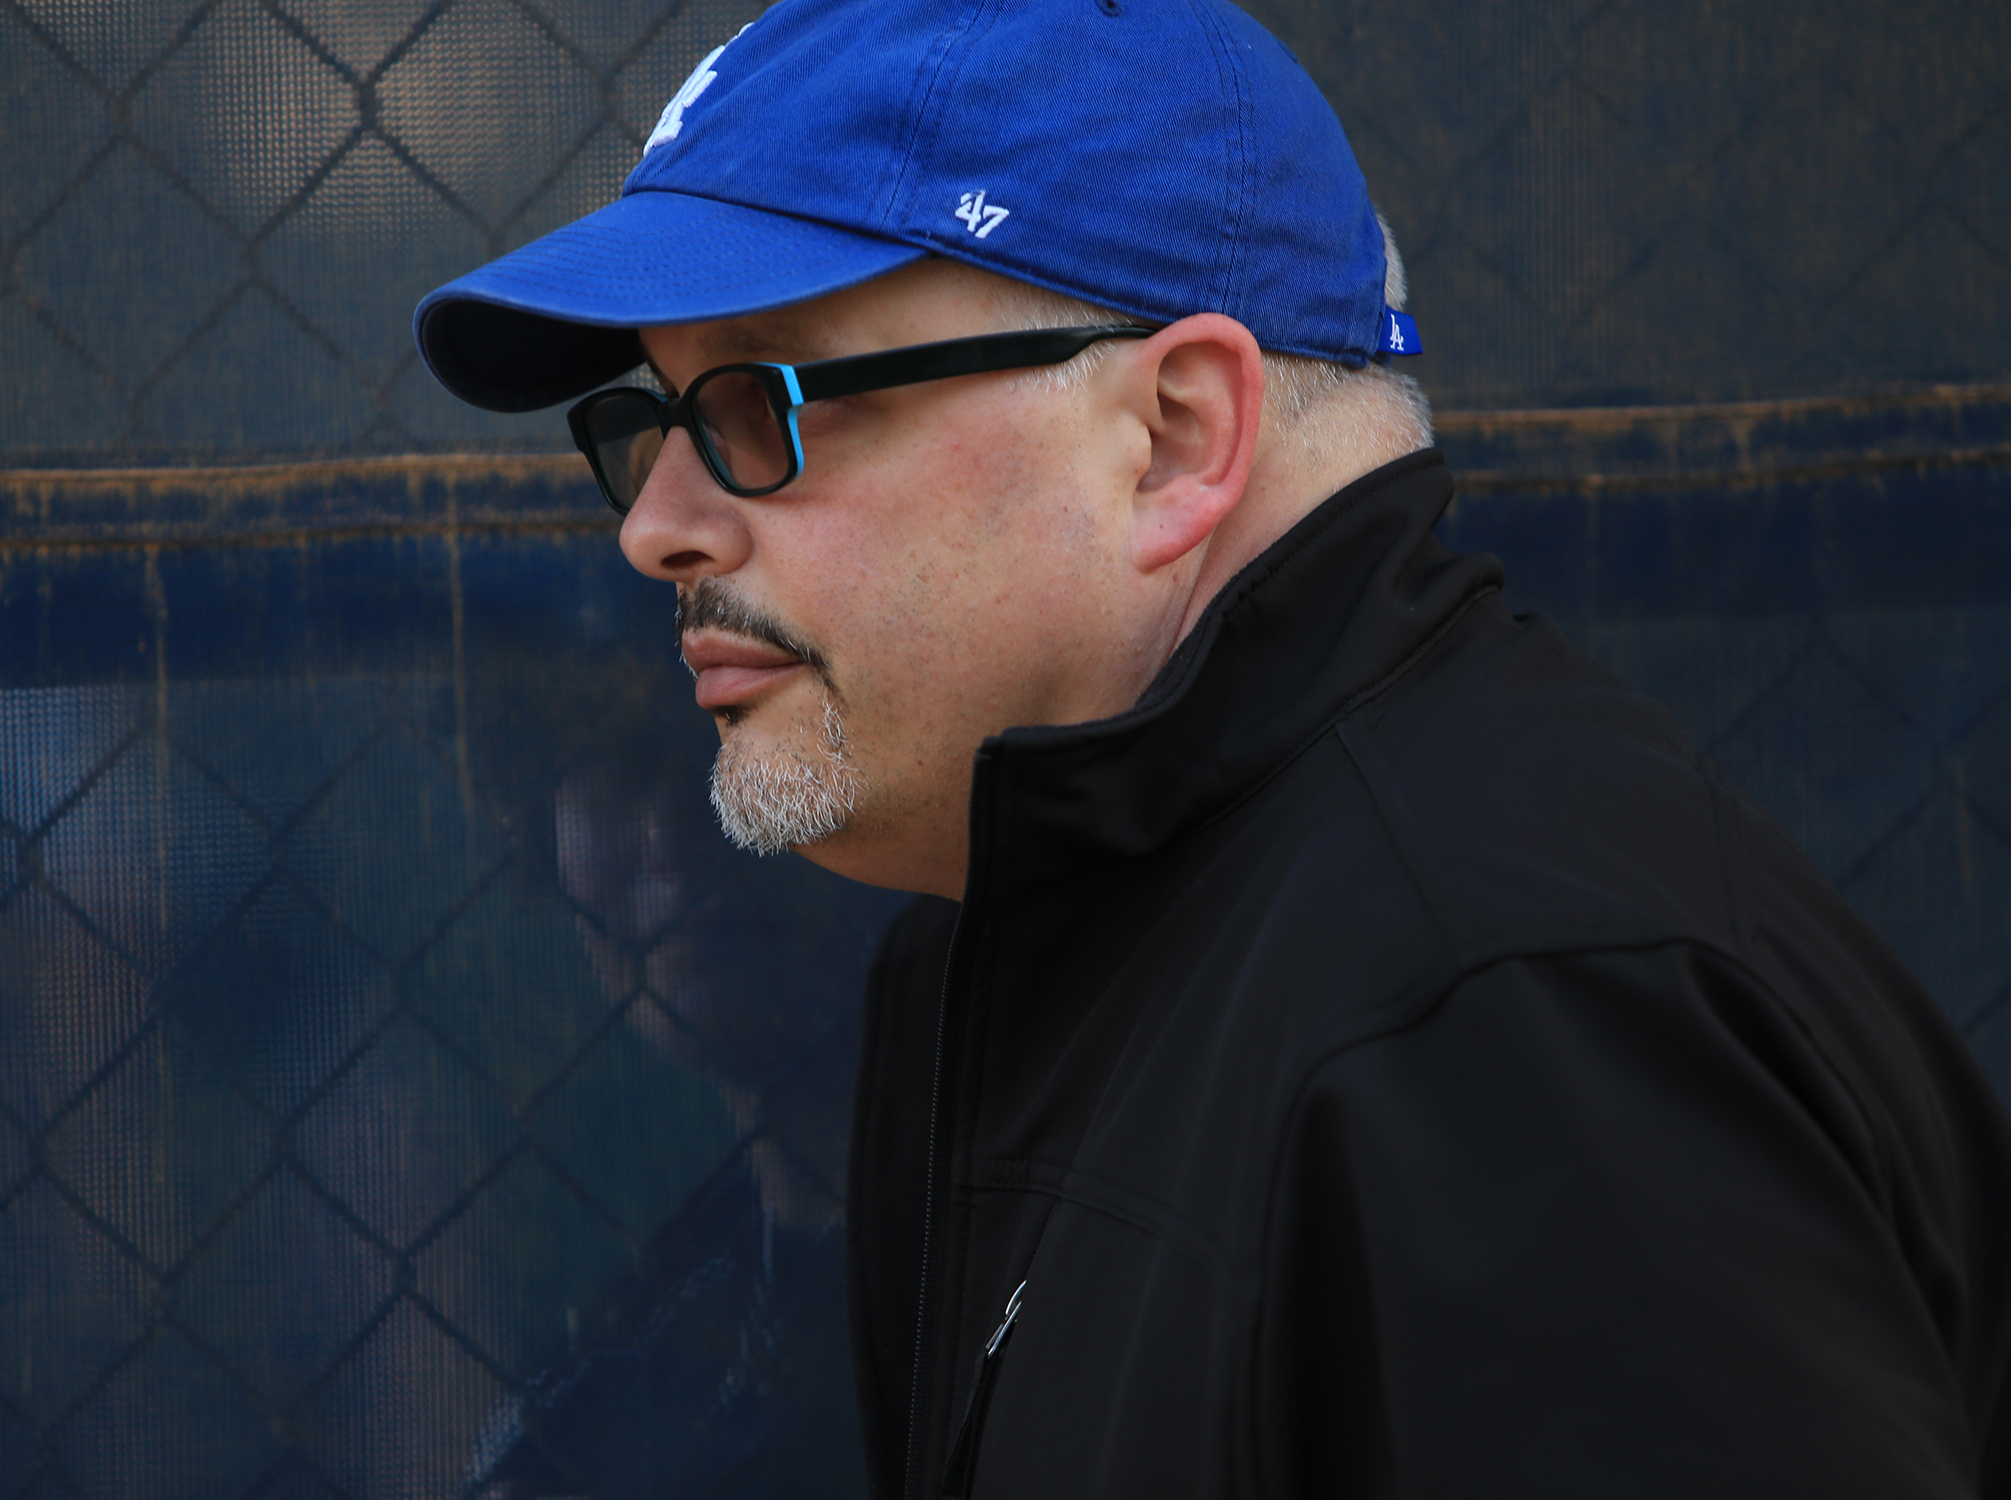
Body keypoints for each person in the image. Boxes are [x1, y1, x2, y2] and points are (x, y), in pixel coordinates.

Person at [413, 0, 2011, 1494]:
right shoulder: (1049, 940)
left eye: (762, 408)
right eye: (652, 423)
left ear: (1174, 437)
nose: (658, 528)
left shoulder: (1512, 1015)